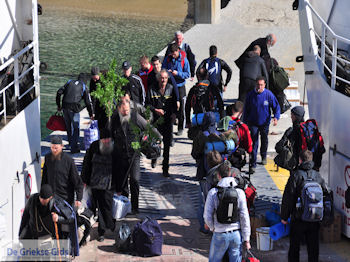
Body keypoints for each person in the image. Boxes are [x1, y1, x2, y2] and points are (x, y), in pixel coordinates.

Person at [111, 95, 161, 213]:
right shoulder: (114, 119)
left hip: (134, 155)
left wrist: (157, 139)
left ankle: (135, 206)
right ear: (118, 109)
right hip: (120, 155)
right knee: (122, 182)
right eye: (123, 111)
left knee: (135, 179)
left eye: (127, 111)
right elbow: (109, 135)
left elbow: (151, 129)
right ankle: (125, 205)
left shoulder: (136, 117)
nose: (125, 113)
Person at [281, 150, 327, 262]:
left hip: (299, 219)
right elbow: (325, 195)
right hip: (314, 218)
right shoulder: (318, 176)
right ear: (311, 160)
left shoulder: (295, 175)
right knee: (313, 249)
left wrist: (284, 217)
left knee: (294, 248)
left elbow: (288, 198)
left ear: (300, 160)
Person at [204, 161, 251, 262]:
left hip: (219, 234)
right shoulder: (240, 193)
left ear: (219, 175)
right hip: (236, 235)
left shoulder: (213, 193)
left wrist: (213, 228)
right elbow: (244, 216)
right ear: (230, 173)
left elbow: (207, 216)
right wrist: (246, 238)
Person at [81, 129, 115, 242]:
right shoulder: (94, 146)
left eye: (107, 140)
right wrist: (84, 179)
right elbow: (86, 163)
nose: (105, 142)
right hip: (94, 181)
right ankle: (87, 228)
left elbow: (119, 167)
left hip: (108, 183)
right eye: (103, 139)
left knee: (104, 207)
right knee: (93, 207)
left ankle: (102, 231)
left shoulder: (115, 149)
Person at [243, 76, 280, 173]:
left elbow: (276, 107)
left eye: (261, 85)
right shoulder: (250, 95)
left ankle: (264, 156)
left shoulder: (268, 95)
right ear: (255, 84)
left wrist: (276, 117)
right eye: (258, 84)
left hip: (264, 123)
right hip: (253, 122)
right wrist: (244, 122)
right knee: (254, 142)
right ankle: (253, 164)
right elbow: (246, 110)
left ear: (264, 85)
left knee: (264, 140)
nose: (259, 86)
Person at [146, 69, 177, 177]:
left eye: (165, 78)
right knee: (155, 143)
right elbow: (148, 105)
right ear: (158, 78)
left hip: (167, 121)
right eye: (161, 78)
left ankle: (165, 169)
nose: (163, 80)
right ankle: (154, 158)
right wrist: (155, 110)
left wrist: (174, 114)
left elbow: (175, 105)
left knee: (167, 146)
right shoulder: (152, 89)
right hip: (156, 121)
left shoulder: (171, 89)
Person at [56, 73, 94, 153]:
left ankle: (70, 143)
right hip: (74, 108)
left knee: (68, 126)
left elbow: (59, 92)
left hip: (65, 107)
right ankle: (74, 148)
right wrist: (91, 114)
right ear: (85, 81)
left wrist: (59, 105)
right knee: (76, 128)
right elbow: (88, 103)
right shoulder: (84, 86)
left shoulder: (69, 82)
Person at [42, 136, 84, 207]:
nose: (54, 150)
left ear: (62, 146)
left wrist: (79, 198)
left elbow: (77, 181)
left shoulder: (68, 160)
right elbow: (44, 178)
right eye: (52, 148)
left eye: (56, 148)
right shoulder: (47, 158)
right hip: (51, 198)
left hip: (65, 198)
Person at [162, 43, 191, 136]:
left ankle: (180, 128)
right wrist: (167, 72)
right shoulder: (168, 59)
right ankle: (168, 127)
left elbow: (187, 74)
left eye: (174, 54)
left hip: (180, 86)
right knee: (170, 107)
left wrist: (177, 73)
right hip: (170, 86)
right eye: (171, 54)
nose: (173, 56)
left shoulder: (184, 61)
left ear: (178, 51)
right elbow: (163, 68)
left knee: (181, 108)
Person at [275, 106, 305, 171]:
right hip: (305, 163)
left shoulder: (292, 131)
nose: (291, 117)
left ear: (296, 116)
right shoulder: (306, 130)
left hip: (294, 164)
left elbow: (278, 147)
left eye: (292, 115)